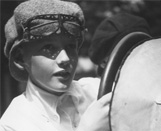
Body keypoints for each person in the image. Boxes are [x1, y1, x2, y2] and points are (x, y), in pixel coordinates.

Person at [0, 0, 111, 131]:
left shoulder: (98, 90)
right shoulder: (14, 123)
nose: (65, 58)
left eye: (71, 46)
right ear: (20, 58)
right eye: (48, 48)